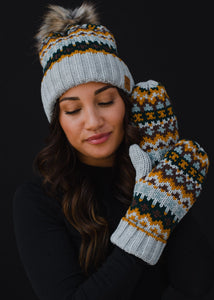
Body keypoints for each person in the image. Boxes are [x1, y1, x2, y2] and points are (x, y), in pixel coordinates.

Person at [13, 3, 214, 300]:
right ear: (58, 121)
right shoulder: (36, 201)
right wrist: (148, 219)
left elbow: (197, 283)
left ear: (125, 103)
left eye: (106, 101)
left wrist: (163, 176)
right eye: (73, 109)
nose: (93, 122)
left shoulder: (151, 180)